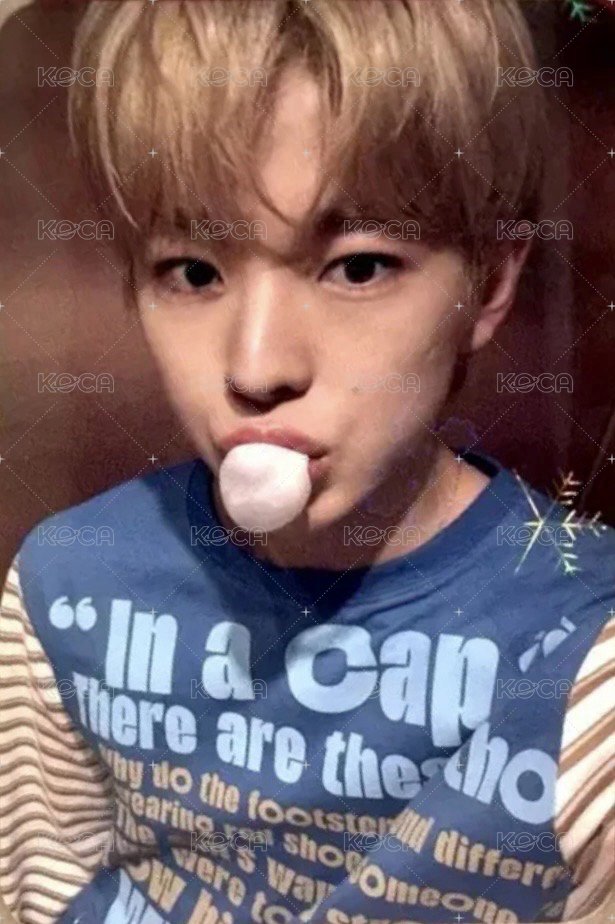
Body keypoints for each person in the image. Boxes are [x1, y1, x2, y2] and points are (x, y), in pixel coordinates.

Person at [0, 2, 613, 923]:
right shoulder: (65, 591)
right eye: (192, 271)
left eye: (358, 267)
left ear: (488, 284)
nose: (256, 368)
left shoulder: (586, 651)